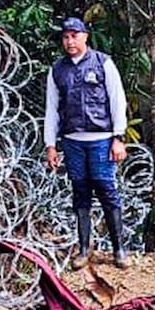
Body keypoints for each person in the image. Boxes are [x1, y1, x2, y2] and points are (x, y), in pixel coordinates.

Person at [44, 17, 130, 268]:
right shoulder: (57, 70)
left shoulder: (103, 63)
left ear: (85, 36)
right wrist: (51, 144)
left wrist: (118, 137)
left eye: (74, 36)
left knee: (106, 191)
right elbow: (52, 109)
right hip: (72, 141)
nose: (70, 41)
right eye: (65, 37)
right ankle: (83, 249)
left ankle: (119, 250)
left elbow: (117, 100)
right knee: (80, 193)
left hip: (101, 140)